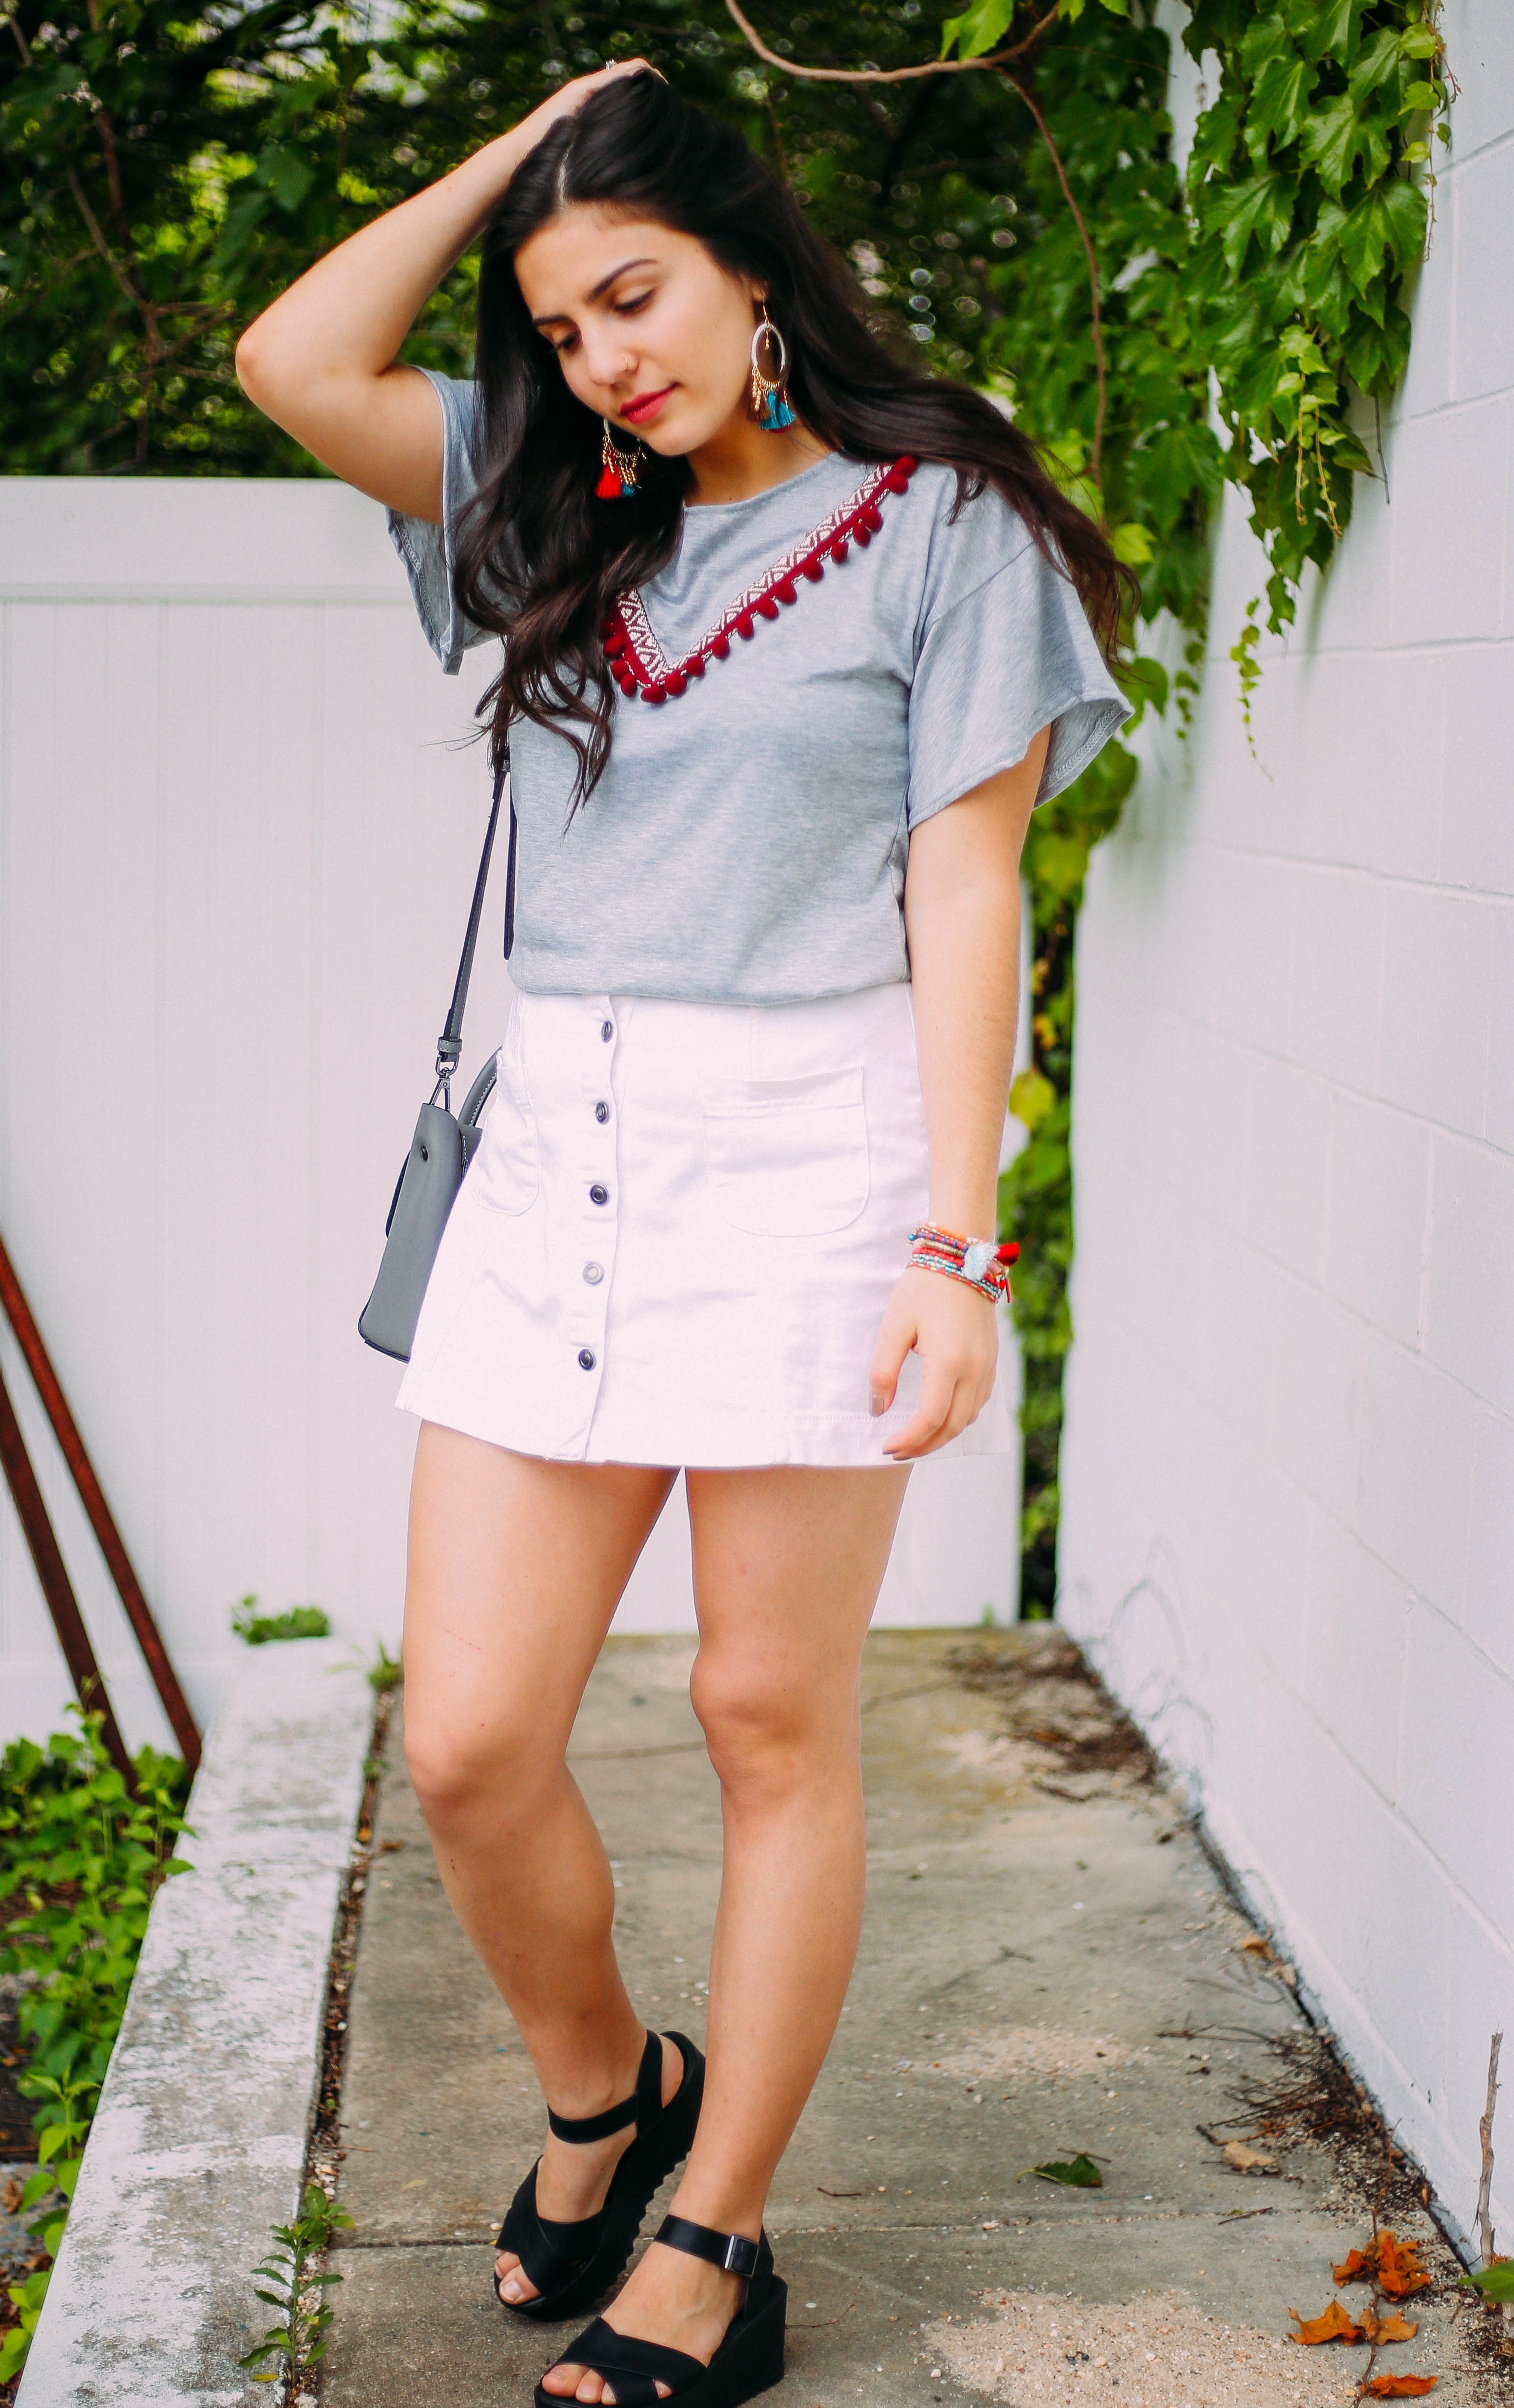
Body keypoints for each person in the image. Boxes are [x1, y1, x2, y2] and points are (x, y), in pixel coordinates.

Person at [235, 61, 1130, 2408]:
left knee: (764, 1713)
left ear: (754, 270)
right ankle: (598, 2095)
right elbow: (294, 364)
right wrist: (521, 148)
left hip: (817, 1156)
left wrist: (963, 1243)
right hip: (564, 1149)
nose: (606, 355)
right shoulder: (548, 501)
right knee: (468, 1737)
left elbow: (965, 897)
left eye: (637, 292)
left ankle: (713, 2233)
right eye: (563, 323)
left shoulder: (943, 532)